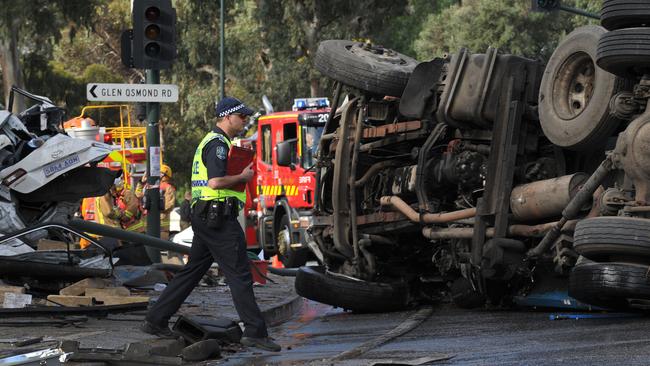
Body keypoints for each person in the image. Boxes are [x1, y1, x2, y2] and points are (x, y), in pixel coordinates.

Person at [141, 97, 281, 352]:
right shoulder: (217, 144)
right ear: (227, 117)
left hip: (206, 218)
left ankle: (155, 319)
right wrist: (243, 176)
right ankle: (255, 333)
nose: (245, 121)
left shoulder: (214, 142)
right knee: (239, 275)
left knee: (193, 270)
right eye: (242, 117)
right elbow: (215, 182)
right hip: (218, 220)